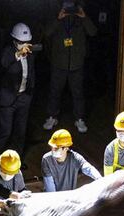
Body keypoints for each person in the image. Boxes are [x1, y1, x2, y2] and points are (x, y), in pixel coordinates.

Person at [42, 0, 97, 134]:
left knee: (78, 93)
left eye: (71, 7)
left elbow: (93, 32)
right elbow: (47, 32)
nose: (69, 10)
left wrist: (84, 17)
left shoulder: (81, 19)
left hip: (76, 64)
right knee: (54, 91)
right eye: (67, 7)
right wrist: (57, 19)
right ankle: (52, 117)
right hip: (58, 63)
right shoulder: (56, 16)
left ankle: (79, 118)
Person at [0, 23, 36, 165]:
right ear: (15, 41)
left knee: (20, 133)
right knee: (5, 132)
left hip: (23, 98)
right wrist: (17, 55)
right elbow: (2, 64)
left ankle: (16, 162)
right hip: (8, 99)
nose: (24, 45)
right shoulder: (8, 52)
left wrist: (29, 93)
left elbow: (31, 73)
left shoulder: (30, 54)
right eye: (21, 42)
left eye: (26, 42)